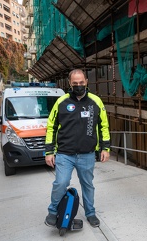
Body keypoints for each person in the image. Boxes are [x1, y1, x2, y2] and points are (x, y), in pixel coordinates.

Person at [44, 69, 111, 228]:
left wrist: (105, 148)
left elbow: (104, 126)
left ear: (86, 81)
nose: (79, 86)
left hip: (87, 154)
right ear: (70, 84)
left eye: (81, 83)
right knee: (61, 182)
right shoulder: (61, 102)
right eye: (75, 84)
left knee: (88, 184)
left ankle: (90, 213)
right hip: (64, 154)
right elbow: (51, 127)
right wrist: (49, 152)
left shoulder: (95, 102)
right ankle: (53, 211)